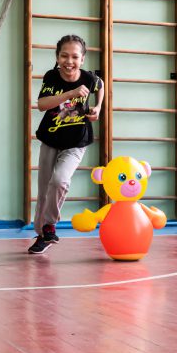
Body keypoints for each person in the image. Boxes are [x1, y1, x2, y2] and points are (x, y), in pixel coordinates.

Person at [29, 34, 104, 254]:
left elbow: (101, 85)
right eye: (64, 56)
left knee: (60, 180)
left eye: (74, 57)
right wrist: (70, 93)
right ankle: (42, 235)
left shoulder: (89, 78)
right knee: (44, 190)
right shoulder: (52, 77)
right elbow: (42, 105)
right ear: (57, 57)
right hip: (51, 139)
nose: (69, 61)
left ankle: (49, 225)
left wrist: (98, 107)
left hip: (76, 142)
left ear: (82, 59)